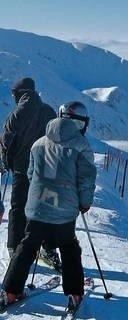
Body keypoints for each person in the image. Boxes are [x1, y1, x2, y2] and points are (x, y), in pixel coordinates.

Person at [0, 101, 97, 311]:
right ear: (81, 124)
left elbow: (30, 174)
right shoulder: (82, 147)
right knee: (69, 247)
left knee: (27, 246)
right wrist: (85, 203)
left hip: (37, 206)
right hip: (64, 210)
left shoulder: (39, 143)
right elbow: (86, 180)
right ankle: (74, 294)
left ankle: (10, 291)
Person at [0, 77, 61, 269]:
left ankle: (15, 248)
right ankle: (48, 249)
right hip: (45, 171)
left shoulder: (17, 113)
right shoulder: (49, 112)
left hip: (21, 168)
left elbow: (6, 141)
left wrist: (7, 162)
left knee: (18, 208)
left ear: (19, 93)